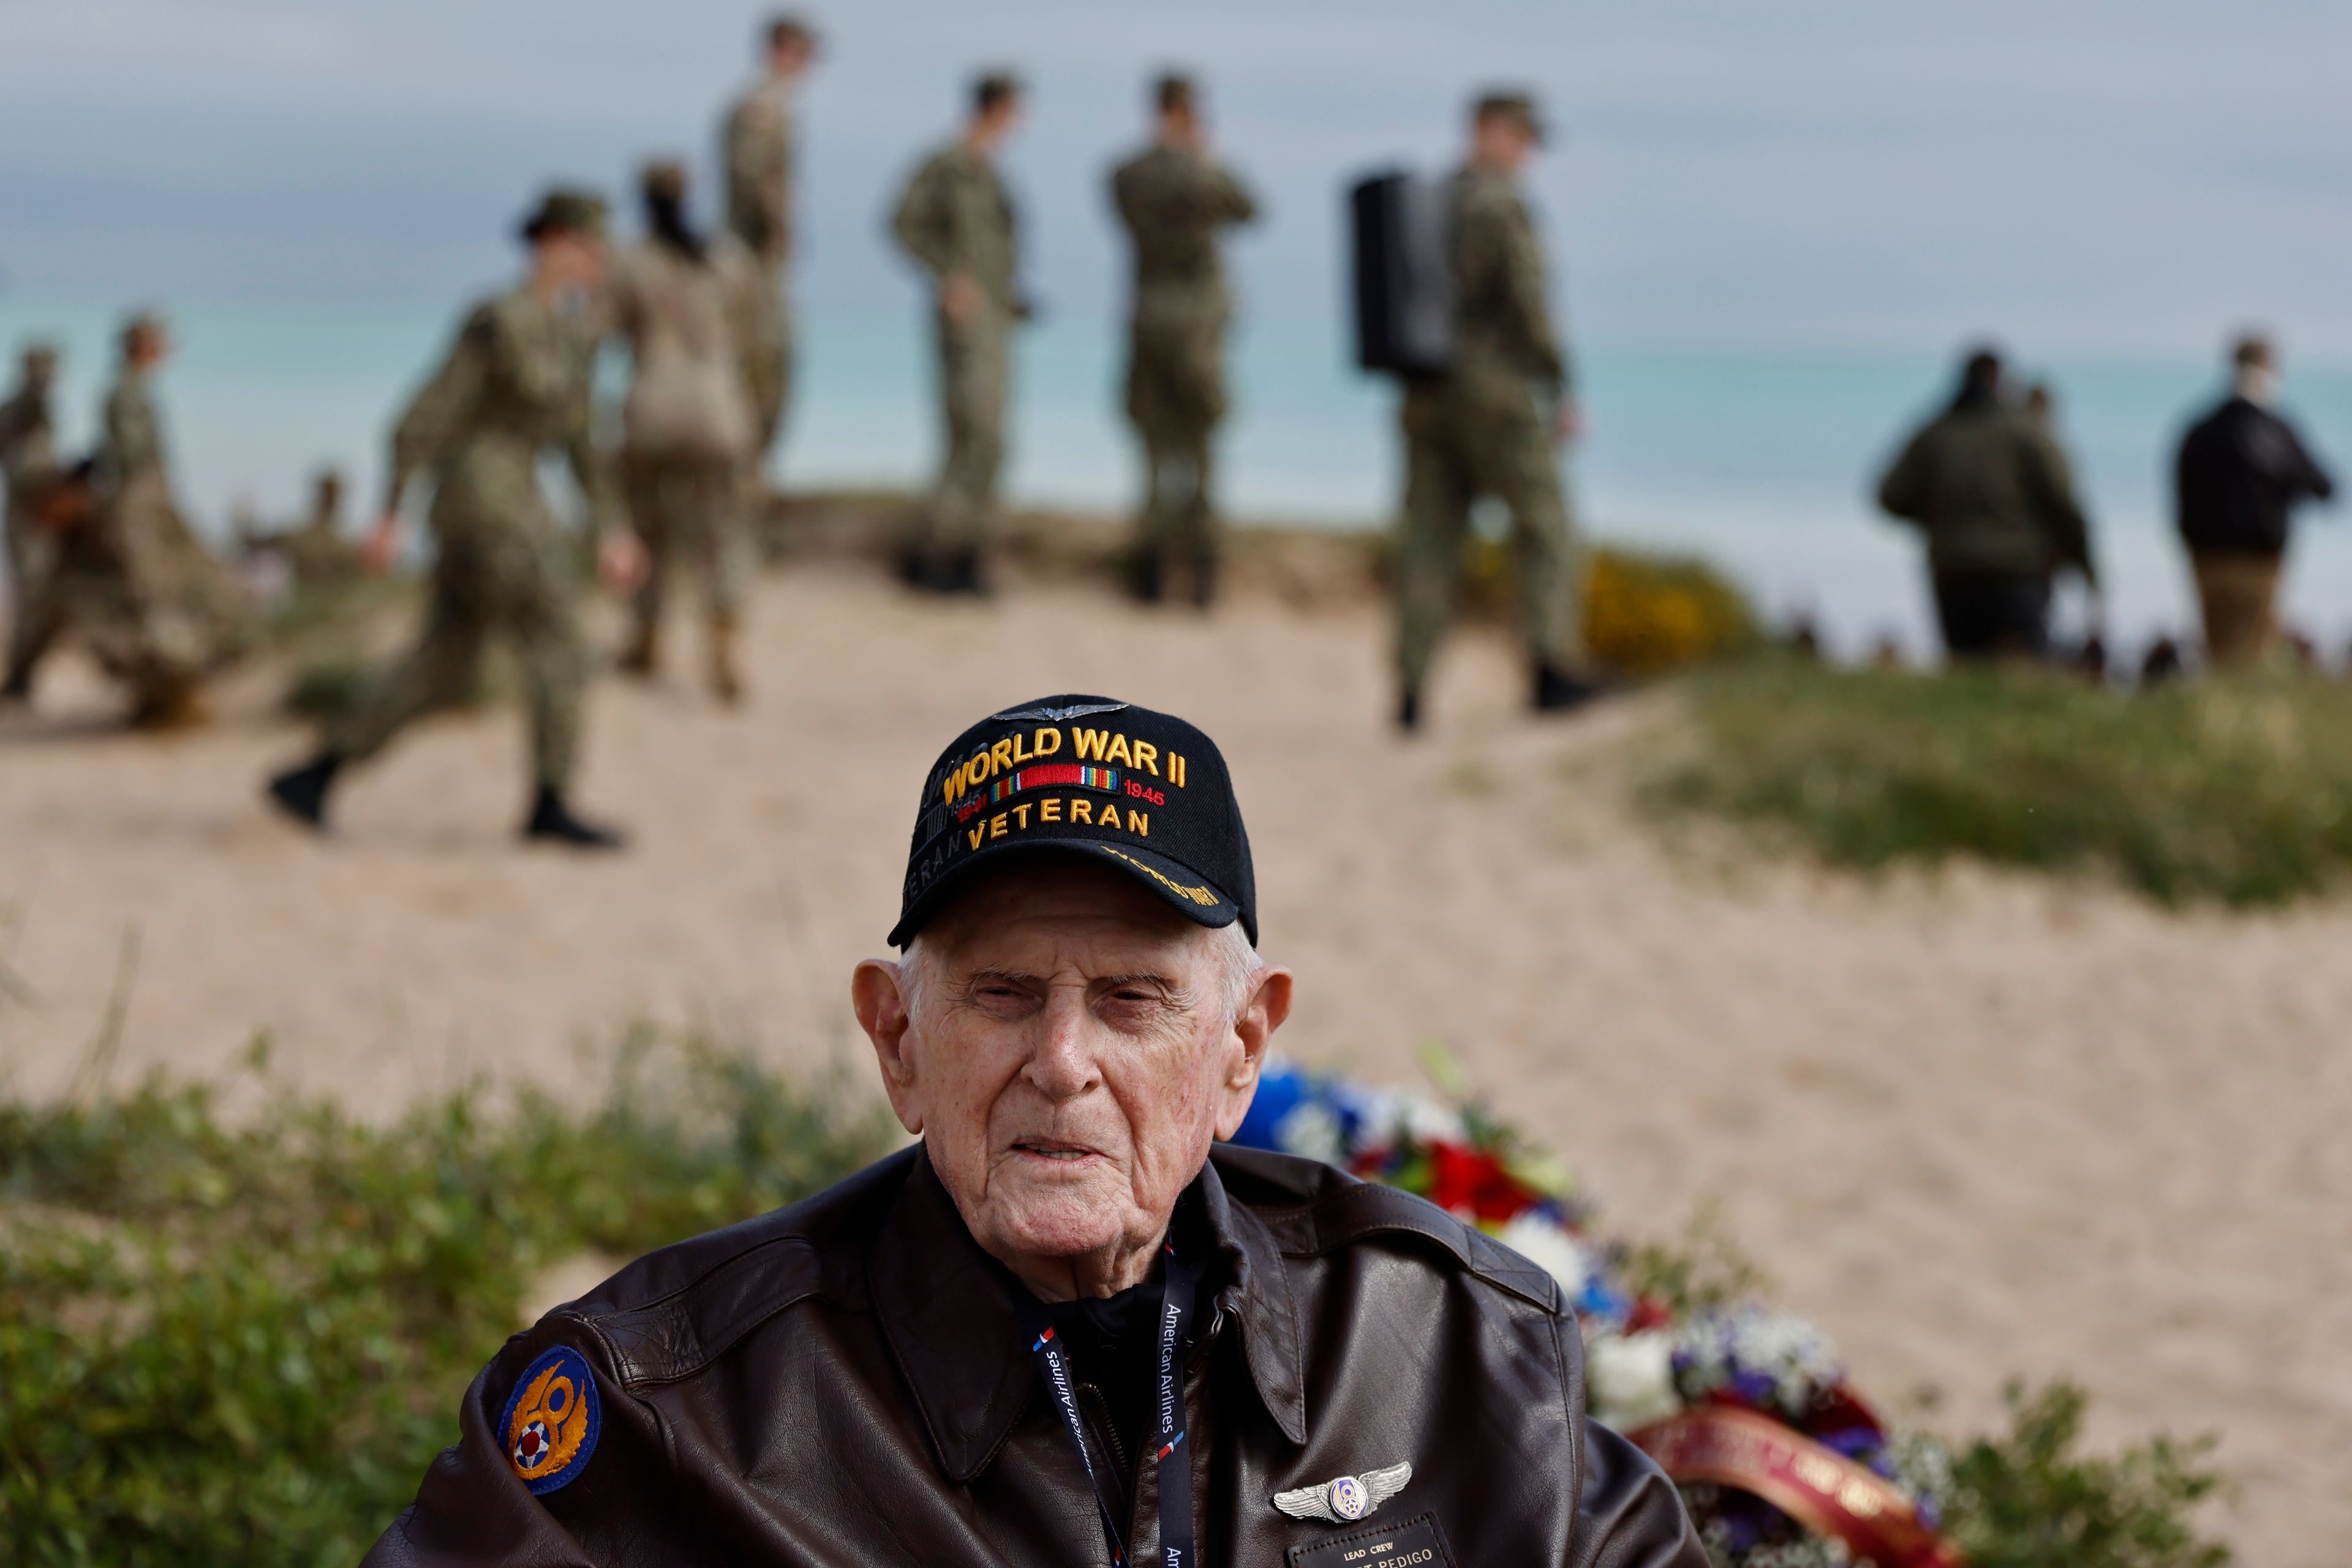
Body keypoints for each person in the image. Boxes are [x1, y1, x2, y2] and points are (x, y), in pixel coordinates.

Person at [360, 692, 1706, 1568]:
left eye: (1133, 1000)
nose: (1062, 1062)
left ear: (1241, 1047)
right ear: (897, 1036)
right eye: (1003, 994)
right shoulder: (673, 1411)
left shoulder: (1448, 1349)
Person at [265, 189, 633, 848]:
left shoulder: (575, 332)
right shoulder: (498, 319)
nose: (599, 259)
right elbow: (425, 415)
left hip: (513, 499)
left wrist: (612, 526)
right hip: (484, 504)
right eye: (588, 245)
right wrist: (390, 511)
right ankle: (550, 801)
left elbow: (580, 443)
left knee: (443, 661)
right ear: (552, 242)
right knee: (560, 647)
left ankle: (315, 774)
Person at [1395, 92, 1599, 732]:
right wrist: (1563, 386)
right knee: (1545, 525)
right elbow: (1530, 308)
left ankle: (1411, 689)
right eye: (1522, 136)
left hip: (1424, 391)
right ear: (1489, 130)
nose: (1528, 152)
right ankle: (1551, 671)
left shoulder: (1427, 201)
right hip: (1493, 391)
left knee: (1429, 540)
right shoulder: (1501, 204)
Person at [611, 159, 774, 704]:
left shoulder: (631, 261)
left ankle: (645, 636)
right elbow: (757, 337)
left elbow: (605, 331)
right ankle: (723, 641)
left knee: (647, 529)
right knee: (725, 533)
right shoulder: (728, 259)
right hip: (719, 410)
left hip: (652, 408)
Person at [56, 312, 254, 726]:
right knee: (154, 590)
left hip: (148, 498)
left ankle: (174, 688)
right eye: (158, 342)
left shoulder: (132, 390)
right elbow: (130, 455)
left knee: (185, 584)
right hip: (140, 501)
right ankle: (165, 687)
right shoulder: (125, 392)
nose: (164, 350)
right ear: (142, 346)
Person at [1109, 72, 1258, 608]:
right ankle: (1201, 579)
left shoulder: (1128, 173)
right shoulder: (1201, 174)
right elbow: (1249, 208)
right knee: (1200, 450)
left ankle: (1149, 576)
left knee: (1153, 450)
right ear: (1188, 112)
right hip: (1197, 326)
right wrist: (1206, 159)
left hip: (1150, 320)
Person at [891, 70, 1027, 595]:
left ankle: (961, 553)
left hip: (995, 322)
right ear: (998, 108)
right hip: (967, 326)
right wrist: (947, 277)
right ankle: (937, 556)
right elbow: (902, 223)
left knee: (987, 441)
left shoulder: (989, 172)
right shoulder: (948, 165)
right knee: (975, 435)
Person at [1875, 345, 2095, 662]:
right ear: (1999, 381)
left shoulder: (1935, 434)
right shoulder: (2026, 432)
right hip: (2017, 573)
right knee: (2022, 675)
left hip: (1953, 572)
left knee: (1966, 676)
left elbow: (1889, 496)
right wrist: (2086, 565)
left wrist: (1939, 519)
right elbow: (2064, 503)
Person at [2173, 333, 2335, 668]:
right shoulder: (2276, 429)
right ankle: (2240, 716)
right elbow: (2323, 487)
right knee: (2251, 653)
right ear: (2268, 368)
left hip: (2206, 557)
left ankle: (2216, 715)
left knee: (2217, 651)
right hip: (2259, 561)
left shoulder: (2201, 429)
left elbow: (2180, 490)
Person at [720, 13, 816, 478]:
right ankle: (742, 479)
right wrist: (776, 232)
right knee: (762, 368)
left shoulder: (774, 107)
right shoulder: (761, 107)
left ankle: (747, 478)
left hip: (757, 261)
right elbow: (753, 183)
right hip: (752, 262)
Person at [1, 342, 65, 700]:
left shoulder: (36, 410)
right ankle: (19, 678)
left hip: (43, 515)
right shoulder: (23, 407)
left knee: (42, 597)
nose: (48, 377)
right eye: (42, 369)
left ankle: (23, 675)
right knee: (32, 595)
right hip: (27, 517)